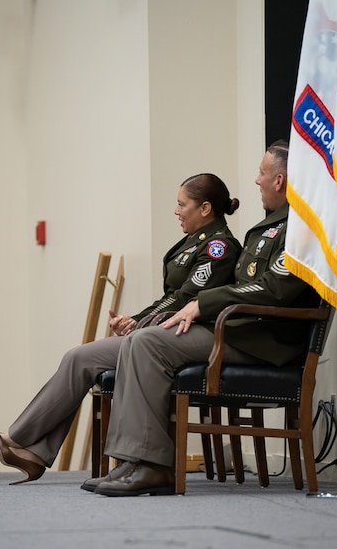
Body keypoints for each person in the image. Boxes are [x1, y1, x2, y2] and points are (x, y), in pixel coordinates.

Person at [0, 173, 242, 484]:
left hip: (185, 339)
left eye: (182, 204)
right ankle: (32, 454)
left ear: (206, 208)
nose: (176, 210)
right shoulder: (192, 243)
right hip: (163, 332)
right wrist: (134, 319)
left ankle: (16, 439)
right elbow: (171, 298)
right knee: (78, 357)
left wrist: (139, 322)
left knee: (85, 358)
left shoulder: (219, 247)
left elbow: (185, 299)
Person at [88, 140, 321, 496]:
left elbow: (276, 290)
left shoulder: (302, 226)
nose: (256, 180)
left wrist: (204, 304)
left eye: (262, 173)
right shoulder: (271, 226)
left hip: (263, 342)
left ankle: (153, 466)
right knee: (139, 339)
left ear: (280, 180)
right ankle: (133, 461)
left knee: (147, 342)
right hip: (239, 330)